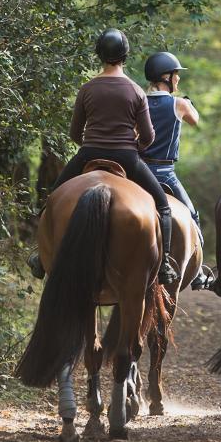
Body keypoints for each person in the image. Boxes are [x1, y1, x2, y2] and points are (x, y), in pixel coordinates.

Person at [27, 28, 179, 285]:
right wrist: (136, 147)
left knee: (52, 199)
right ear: (125, 55)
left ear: (100, 55)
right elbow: (148, 136)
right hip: (128, 157)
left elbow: (75, 132)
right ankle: (163, 264)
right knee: (163, 205)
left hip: (89, 153)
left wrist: (89, 144)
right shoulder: (135, 91)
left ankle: (40, 257)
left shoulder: (87, 88)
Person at [141, 52, 212, 290]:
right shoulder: (179, 104)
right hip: (163, 172)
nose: (178, 80)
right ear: (166, 77)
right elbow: (195, 119)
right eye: (176, 75)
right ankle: (199, 272)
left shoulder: (139, 100)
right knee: (192, 214)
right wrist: (189, 103)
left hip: (138, 169)